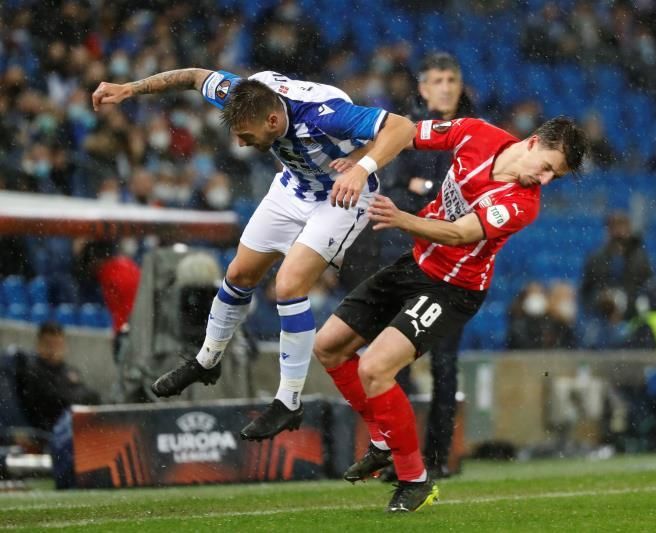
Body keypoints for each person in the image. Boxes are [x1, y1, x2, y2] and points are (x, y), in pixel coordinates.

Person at [92, 68, 415, 440]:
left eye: (246, 135)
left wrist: (361, 168)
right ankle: (207, 360)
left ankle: (288, 401)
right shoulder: (245, 94)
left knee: (289, 285)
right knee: (239, 274)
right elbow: (195, 76)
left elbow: (402, 128)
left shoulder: (324, 112)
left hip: (341, 197)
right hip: (294, 186)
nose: (242, 144)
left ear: (274, 120)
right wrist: (128, 88)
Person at [313, 116, 587, 512]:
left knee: (374, 367)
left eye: (554, 177)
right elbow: (404, 134)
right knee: (328, 346)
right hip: (417, 264)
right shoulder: (475, 132)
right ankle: (381, 440)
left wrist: (401, 218)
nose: (544, 181)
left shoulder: (521, 204)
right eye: (547, 167)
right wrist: (360, 161)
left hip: (453, 289)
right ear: (532, 142)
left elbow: (460, 233)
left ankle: (416, 480)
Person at [369, 52, 478, 480]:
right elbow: (391, 190)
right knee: (394, 363)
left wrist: (424, 191)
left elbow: (472, 195)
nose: (446, 87)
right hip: (407, 258)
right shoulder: (406, 131)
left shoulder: (473, 133)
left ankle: (437, 459)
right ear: (423, 87)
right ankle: (404, 454)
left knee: (446, 364)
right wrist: (431, 196)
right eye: (438, 79)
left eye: (452, 78)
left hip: (452, 265)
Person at [14, 322, 100, 432]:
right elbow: (55, 399)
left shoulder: (69, 370)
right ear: (39, 344)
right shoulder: (31, 370)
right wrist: (76, 397)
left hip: (74, 426)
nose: (53, 349)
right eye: (49, 344)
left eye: (58, 344)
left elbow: (90, 395)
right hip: (48, 430)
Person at [580, 211, 653, 320]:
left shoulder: (641, 259)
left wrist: (625, 304)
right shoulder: (596, 258)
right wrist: (601, 299)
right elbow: (586, 291)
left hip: (631, 318)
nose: (618, 231)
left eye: (622, 225)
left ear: (629, 229)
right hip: (601, 318)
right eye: (614, 226)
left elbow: (648, 290)